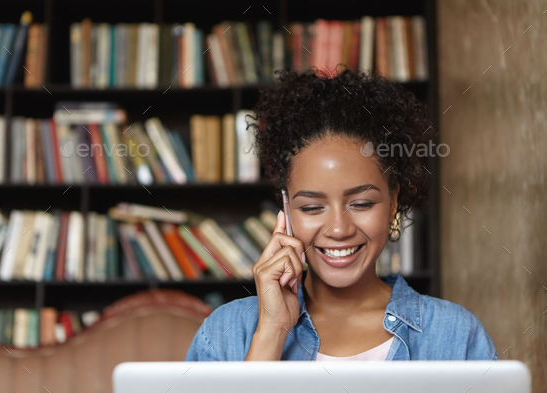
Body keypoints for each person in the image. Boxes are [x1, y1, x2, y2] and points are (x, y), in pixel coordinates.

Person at [185, 66, 498, 361]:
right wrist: (272, 331)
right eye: (311, 207)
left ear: (392, 203)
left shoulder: (456, 335)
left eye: (361, 204)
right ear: (287, 210)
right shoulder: (225, 332)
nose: (338, 229)